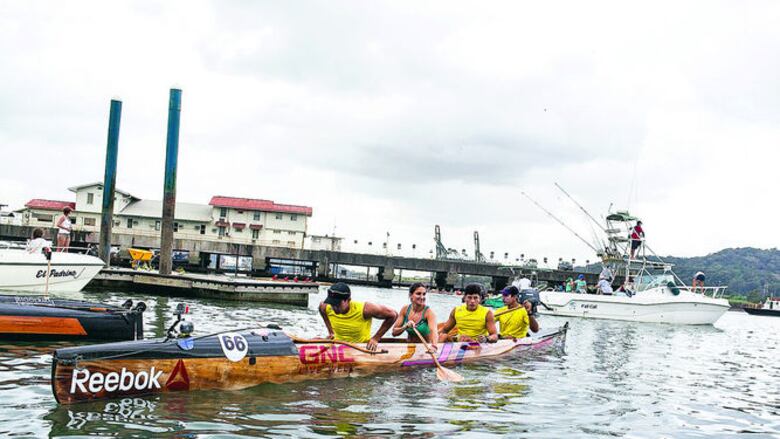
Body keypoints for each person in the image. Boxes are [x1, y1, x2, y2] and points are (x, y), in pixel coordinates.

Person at [318, 282, 397, 352]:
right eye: (332, 304)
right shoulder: (325, 307)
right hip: (338, 347)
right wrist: (331, 331)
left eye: (337, 304)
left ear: (348, 300)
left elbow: (393, 315)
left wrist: (376, 338)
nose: (334, 307)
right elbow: (322, 311)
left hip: (360, 349)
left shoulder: (365, 309)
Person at [392, 283, 438, 347]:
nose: (422, 297)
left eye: (424, 294)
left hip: (425, 348)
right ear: (410, 295)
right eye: (418, 294)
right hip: (409, 347)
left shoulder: (429, 313)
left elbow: (433, 331)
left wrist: (434, 346)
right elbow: (394, 333)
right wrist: (405, 327)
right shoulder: (405, 309)